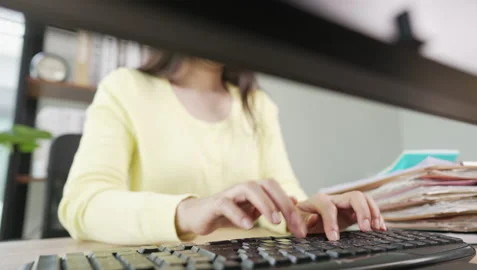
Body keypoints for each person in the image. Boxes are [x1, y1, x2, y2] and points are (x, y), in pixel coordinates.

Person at [58, 51, 386, 245]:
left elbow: (285, 192)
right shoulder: (126, 87)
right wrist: (188, 211)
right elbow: (81, 205)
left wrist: (305, 217)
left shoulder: (258, 105)